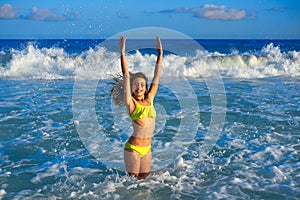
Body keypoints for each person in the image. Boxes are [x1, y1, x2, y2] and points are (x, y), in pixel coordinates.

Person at [115, 36, 163, 179]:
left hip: (147, 149)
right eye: (136, 84)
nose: (139, 87)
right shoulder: (132, 103)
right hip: (133, 149)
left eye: (142, 84)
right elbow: (126, 76)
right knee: (132, 184)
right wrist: (122, 53)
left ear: (146, 87)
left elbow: (157, 76)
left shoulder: (150, 99)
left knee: (144, 183)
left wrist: (160, 54)